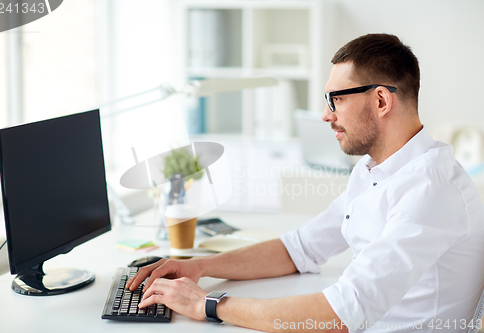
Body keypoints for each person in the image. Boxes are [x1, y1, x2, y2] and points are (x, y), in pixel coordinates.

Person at [126, 34, 484, 332]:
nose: (327, 115)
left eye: (336, 99)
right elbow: (301, 247)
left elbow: (341, 313)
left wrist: (207, 304)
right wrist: (200, 267)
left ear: (380, 100)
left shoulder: (431, 188)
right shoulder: (373, 169)